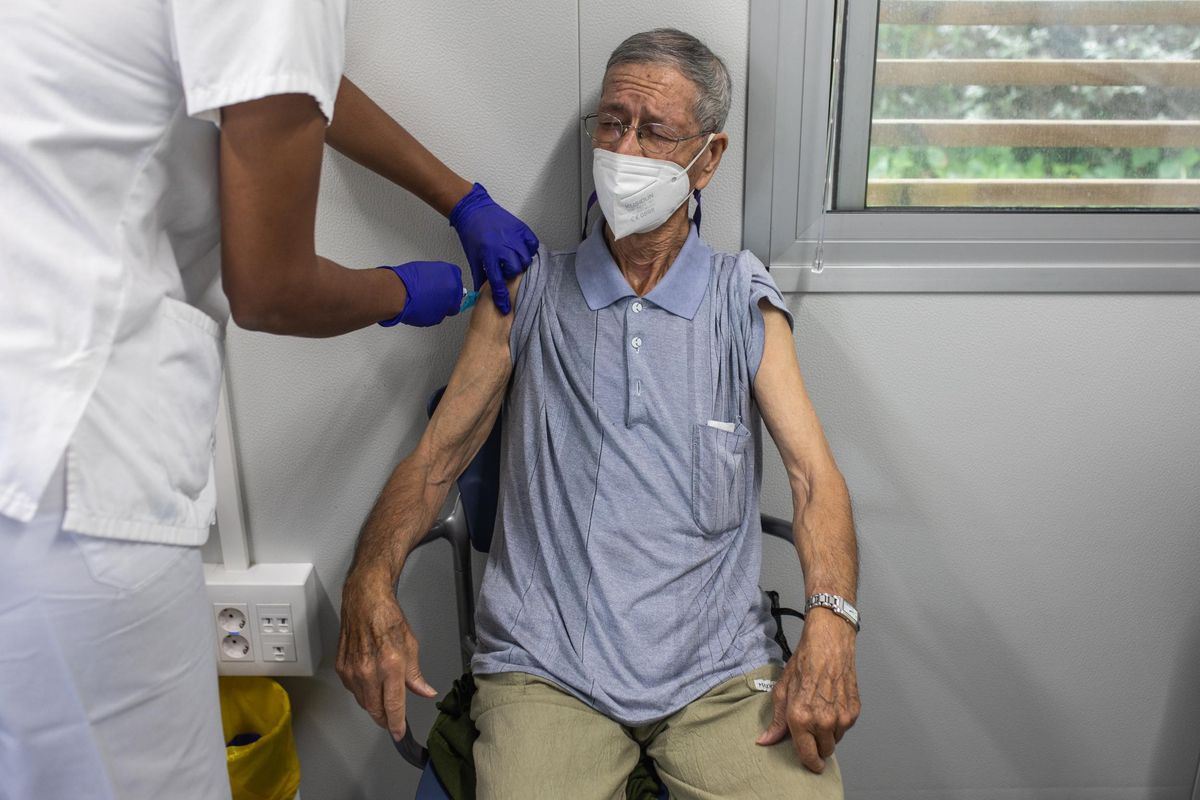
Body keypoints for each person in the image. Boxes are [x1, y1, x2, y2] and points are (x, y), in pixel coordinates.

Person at [0, 2, 537, 799]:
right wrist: (396, 291)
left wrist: (458, 198)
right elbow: (273, 290)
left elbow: (281, 79)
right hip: (74, 466)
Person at [337, 28, 859, 799]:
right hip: (546, 670)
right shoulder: (526, 290)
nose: (625, 148)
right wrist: (368, 581)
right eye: (612, 123)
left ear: (707, 158)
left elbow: (815, 480)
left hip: (717, 672)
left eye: (655, 130)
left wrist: (832, 621)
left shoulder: (738, 299)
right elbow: (434, 462)